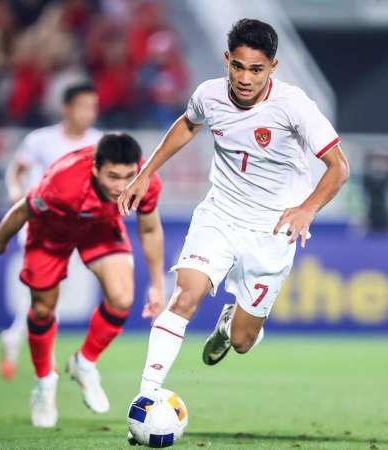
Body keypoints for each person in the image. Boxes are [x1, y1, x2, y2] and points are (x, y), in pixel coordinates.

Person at [117, 18, 349, 437]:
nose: (244, 78)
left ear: (273, 67)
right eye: (238, 66)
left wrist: (307, 209)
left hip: (273, 231)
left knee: (243, 340)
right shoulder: (208, 94)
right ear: (227, 60)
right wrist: (145, 173)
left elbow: (339, 167)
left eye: (256, 70)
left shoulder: (294, 105)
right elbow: (188, 123)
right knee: (185, 295)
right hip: (220, 215)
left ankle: (228, 325)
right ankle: (147, 396)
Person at [0, 133, 165, 428]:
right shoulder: (62, 182)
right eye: (113, 177)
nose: (122, 186)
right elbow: (23, 210)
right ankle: (44, 384)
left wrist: (156, 285)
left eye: (128, 176)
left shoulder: (146, 181)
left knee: (122, 299)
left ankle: (84, 362)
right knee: (42, 309)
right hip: (51, 230)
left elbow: (149, 230)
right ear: (95, 168)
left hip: (100, 226)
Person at [0, 82, 102, 381]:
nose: (88, 113)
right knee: (50, 292)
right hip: (40, 222)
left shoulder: (99, 142)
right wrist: (15, 190)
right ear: (66, 108)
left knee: (51, 294)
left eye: (93, 107)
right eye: (83, 106)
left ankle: (16, 335)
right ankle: (43, 357)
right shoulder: (41, 140)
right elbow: (17, 169)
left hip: (79, 225)